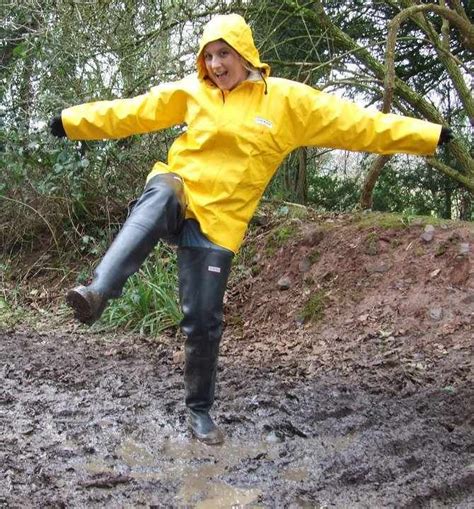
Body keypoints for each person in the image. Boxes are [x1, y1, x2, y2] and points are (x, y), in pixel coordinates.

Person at [49, 13, 453, 445]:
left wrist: (426, 135)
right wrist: (72, 122)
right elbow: (130, 112)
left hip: (220, 225)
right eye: (208, 56)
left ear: (244, 55)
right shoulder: (192, 92)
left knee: (202, 322)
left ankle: (199, 412)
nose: (216, 65)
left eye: (223, 54)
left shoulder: (285, 102)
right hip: (178, 192)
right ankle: (97, 292)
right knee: (162, 191)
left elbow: (359, 125)